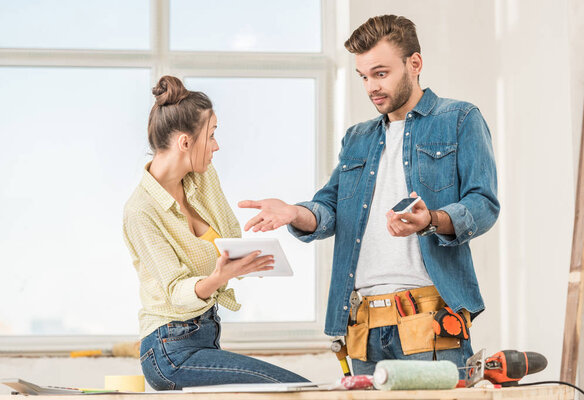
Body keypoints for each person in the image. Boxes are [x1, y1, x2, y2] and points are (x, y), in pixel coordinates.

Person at [240, 15, 499, 376]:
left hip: (429, 322)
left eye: (381, 73)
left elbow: (483, 203)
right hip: (362, 325)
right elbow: (330, 208)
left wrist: (432, 220)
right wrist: (294, 213)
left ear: (415, 63)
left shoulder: (459, 119)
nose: (371, 87)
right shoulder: (357, 138)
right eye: (363, 76)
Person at [123, 76, 309, 390]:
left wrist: (247, 259)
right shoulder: (140, 211)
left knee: (288, 389)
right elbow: (176, 292)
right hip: (168, 350)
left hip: (205, 337)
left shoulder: (203, 179)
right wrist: (219, 277)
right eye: (211, 135)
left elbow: (229, 236)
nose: (216, 145)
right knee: (295, 388)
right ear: (185, 142)